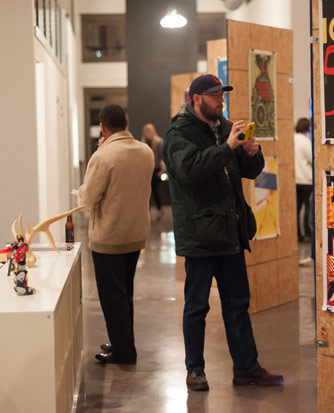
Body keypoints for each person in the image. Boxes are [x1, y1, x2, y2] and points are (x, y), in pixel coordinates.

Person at [163, 74, 284, 391]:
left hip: (230, 232)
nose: (221, 100)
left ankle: (246, 368)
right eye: (215, 95)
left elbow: (246, 172)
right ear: (196, 99)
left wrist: (250, 153)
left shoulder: (224, 128)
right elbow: (191, 170)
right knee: (196, 307)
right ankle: (195, 370)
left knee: (238, 304)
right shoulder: (179, 133)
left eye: (222, 94)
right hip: (201, 235)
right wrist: (227, 146)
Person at [78, 104, 154, 364]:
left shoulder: (103, 156)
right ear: (127, 121)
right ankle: (123, 343)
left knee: (112, 297)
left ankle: (124, 352)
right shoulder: (145, 151)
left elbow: (88, 199)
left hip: (109, 238)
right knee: (125, 292)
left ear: (103, 126)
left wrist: (100, 152)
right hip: (135, 233)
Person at [141, 123, 166, 221]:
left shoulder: (158, 142)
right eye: (146, 131)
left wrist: (162, 170)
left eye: (149, 131)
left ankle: (159, 210)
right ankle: (147, 213)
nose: (147, 133)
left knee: (155, 192)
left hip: (156, 170)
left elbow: (162, 157)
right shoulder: (143, 143)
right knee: (147, 193)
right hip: (147, 170)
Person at [294, 117, 313, 243]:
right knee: (308, 208)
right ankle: (307, 233)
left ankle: (298, 234)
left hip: (295, 179)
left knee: (297, 208)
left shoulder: (292, 139)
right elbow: (312, 159)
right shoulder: (306, 142)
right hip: (306, 179)